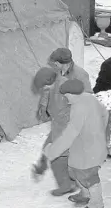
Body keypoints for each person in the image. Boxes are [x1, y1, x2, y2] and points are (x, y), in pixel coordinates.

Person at [44, 79, 109, 208]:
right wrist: (100, 129)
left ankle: (96, 204)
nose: (65, 98)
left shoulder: (79, 108)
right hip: (83, 144)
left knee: (89, 175)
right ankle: (85, 194)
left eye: (66, 95)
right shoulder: (88, 97)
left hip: (89, 148)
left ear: (72, 94)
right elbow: (105, 113)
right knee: (74, 170)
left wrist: (52, 151)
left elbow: (70, 134)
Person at [34, 67, 79, 196]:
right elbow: (47, 96)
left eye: (44, 86)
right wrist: (43, 108)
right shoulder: (52, 85)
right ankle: (68, 180)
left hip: (68, 126)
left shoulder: (65, 86)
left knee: (58, 156)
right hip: (59, 125)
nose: (44, 89)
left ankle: (68, 184)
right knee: (48, 149)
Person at [38, 48, 92, 121]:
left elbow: (86, 98)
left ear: (64, 63)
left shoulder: (80, 74)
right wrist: (43, 105)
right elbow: (48, 88)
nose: (54, 64)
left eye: (56, 62)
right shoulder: (56, 70)